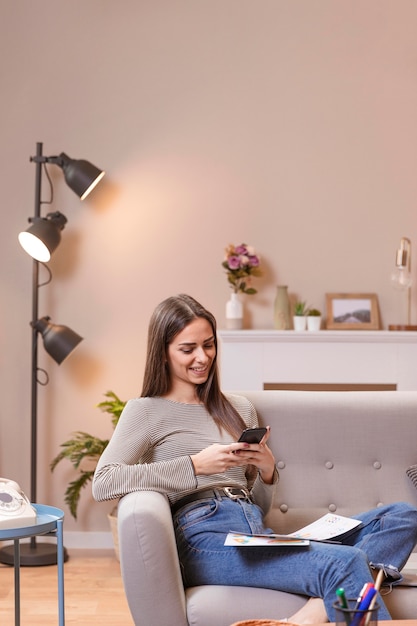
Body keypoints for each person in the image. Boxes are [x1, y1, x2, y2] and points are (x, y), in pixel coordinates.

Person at [92, 294, 417, 623]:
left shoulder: (237, 408)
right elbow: (104, 481)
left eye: (208, 344)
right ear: (163, 352)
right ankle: (317, 610)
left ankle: (318, 607)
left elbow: (257, 507)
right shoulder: (145, 411)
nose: (202, 357)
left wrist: (266, 472)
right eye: (188, 349)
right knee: (345, 562)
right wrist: (194, 466)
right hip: (202, 537)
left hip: (253, 531)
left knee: (402, 517)